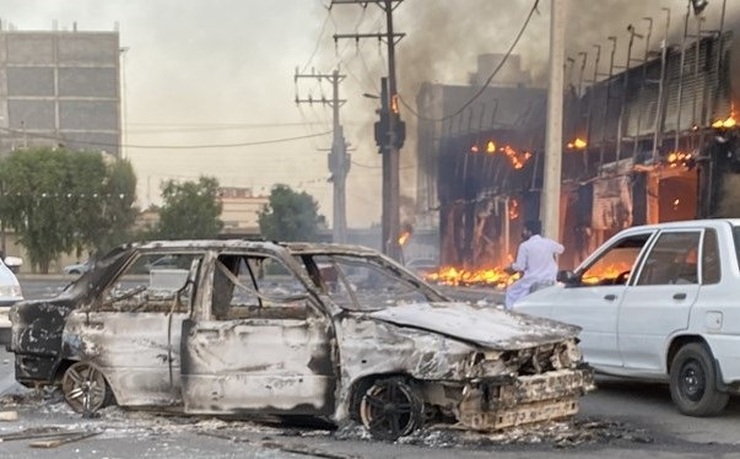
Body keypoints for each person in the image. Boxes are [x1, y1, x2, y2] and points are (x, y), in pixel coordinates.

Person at [504, 220, 564, 310]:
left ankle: (511, 311)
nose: (523, 232)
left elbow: (520, 266)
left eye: (524, 230)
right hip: (550, 279)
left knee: (511, 292)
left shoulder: (525, 246)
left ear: (529, 232)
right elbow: (561, 249)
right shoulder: (549, 243)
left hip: (531, 281)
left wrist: (511, 267)